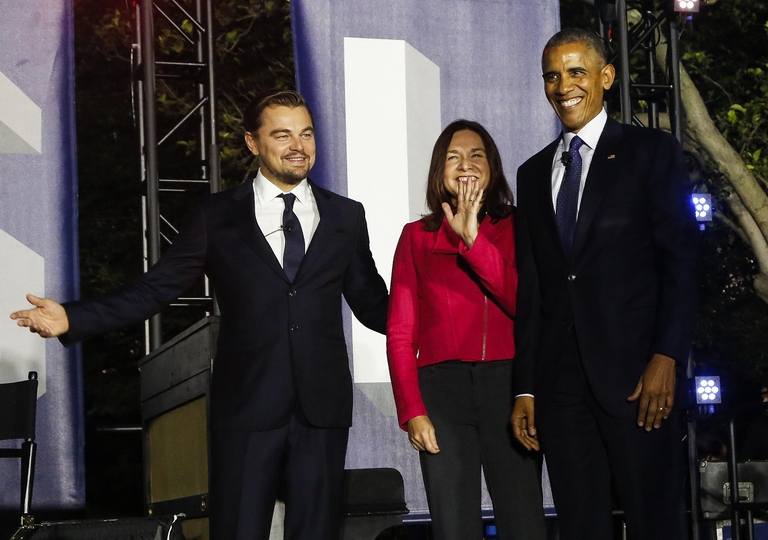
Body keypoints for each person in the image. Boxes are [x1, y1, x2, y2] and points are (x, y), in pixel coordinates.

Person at [10, 90, 389, 540]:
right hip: (247, 404)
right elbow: (157, 288)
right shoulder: (216, 215)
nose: (298, 146)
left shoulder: (346, 215)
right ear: (252, 143)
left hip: (322, 407)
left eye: (305, 134)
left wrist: (443, 316)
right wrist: (74, 318)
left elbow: (372, 303)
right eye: (282, 134)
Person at [510, 28, 699, 540]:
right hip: (561, 388)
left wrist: (666, 357)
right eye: (552, 75)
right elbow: (534, 291)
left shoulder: (651, 153)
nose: (562, 85)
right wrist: (526, 386)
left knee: (654, 522)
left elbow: (679, 262)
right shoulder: (531, 174)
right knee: (578, 526)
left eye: (576, 71)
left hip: (639, 381)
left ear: (606, 77)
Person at [387, 120, 547, 540]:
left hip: (509, 387)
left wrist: (473, 240)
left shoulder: (518, 226)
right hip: (441, 393)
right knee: (453, 526)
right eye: (453, 157)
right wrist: (412, 411)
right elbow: (401, 333)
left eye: (476, 154)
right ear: (439, 169)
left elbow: (523, 304)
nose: (465, 164)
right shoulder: (415, 238)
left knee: (523, 520)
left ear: (492, 166)